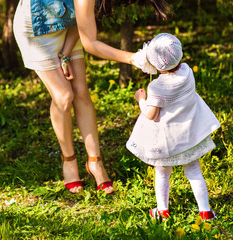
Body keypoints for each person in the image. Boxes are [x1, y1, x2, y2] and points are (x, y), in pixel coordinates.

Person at [13, 0, 170, 194]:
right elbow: (91, 44)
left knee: (81, 93)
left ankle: (95, 162)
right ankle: (69, 160)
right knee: (63, 95)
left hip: (67, 31)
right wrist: (134, 58)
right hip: (37, 32)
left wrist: (65, 54)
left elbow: (79, 21)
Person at [126, 33, 220, 220]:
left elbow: (151, 115)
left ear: (154, 65)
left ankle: (162, 211)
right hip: (189, 135)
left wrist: (141, 99)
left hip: (166, 141)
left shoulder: (157, 87)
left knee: (162, 173)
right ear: (180, 56)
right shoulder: (187, 72)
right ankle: (206, 212)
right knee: (194, 171)